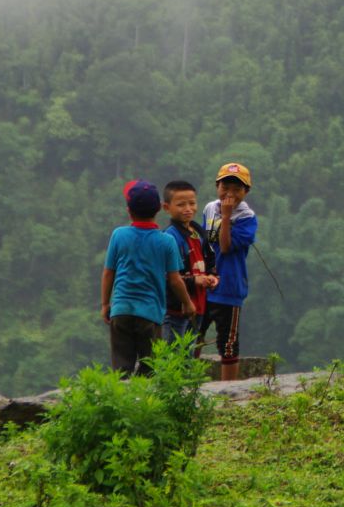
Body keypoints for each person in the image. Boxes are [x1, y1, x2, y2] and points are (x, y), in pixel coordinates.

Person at [101, 180, 196, 376]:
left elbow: (109, 272)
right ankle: (145, 404)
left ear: (129, 210)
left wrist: (105, 304)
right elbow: (175, 279)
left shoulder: (119, 235)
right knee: (150, 367)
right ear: (160, 209)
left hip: (121, 310)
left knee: (121, 368)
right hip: (150, 314)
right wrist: (187, 303)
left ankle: (123, 404)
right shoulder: (166, 241)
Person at [197, 162, 258, 381]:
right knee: (194, 336)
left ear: (246, 191)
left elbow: (225, 246)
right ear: (217, 186)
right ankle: (187, 383)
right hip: (206, 284)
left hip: (229, 287)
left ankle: (228, 391)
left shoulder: (247, 218)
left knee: (228, 343)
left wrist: (226, 215)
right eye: (225, 187)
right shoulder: (209, 209)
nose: (230, 193)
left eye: (237, 189)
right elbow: (208, 243)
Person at [161, 180, 219, 348]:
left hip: (198, 305)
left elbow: (209, 262)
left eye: (192, 203)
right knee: (172, 353)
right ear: (166, 207)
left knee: (188, 354)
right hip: (176, 308)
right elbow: (168, 276)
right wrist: (195, 280)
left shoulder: (198, 233)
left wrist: (212, 277)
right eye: (181, 205)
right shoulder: (170, 237)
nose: (188, 209)